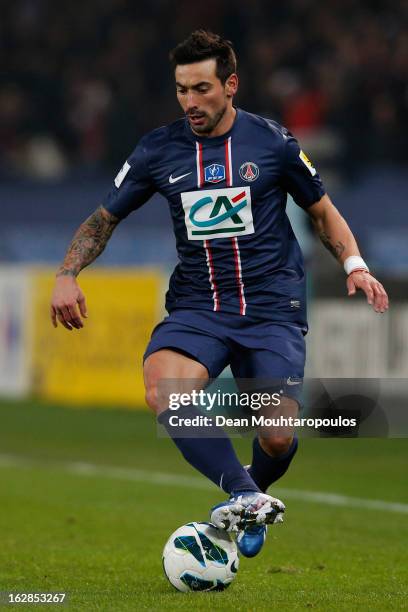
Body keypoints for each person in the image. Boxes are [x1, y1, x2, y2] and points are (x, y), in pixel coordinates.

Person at [50, 30, 389, 558]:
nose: (190, 102)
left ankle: (253, 488)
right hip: (197, 307)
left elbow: (321, 211)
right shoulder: (158, 150)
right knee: (165, 389)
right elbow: (103, 218)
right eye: (182, 90)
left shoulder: (272, 143)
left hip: (272, 306)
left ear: (230, 85)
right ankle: (245, 495)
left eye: (202, 88)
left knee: (277, 436)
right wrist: (67, 273)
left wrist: (354, 264)